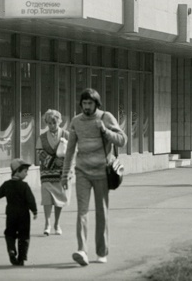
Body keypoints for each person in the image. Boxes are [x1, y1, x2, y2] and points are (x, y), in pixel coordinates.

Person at [61, 88, 127, 267]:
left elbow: (122, 140)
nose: (87, 107)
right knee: (82, 211)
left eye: (90, 103)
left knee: (101, 212)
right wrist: (65, 173)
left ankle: (101, 252)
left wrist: (105, 131)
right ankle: (82, 250)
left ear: (96, 104)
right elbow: (70, 149)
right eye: (84, 103)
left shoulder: (105, 117)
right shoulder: (76, 121)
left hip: (101, 172)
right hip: (82, 171)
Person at [0, 158, 38, 266]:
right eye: (25, 171)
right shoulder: (24, 186)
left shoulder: (7, 184)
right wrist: (34, 211)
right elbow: (30, 199)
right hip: (24, 215)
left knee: (10, 233)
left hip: (11, 214)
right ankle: (21, 258)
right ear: (17, 171)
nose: (26, 174)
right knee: (24, 236)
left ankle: (11, 250)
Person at [36, 109, 70, 236]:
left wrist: (64, 162)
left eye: (54, 123)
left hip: (61, 173)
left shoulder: (66, 135)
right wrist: (53, 162)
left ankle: (57, 223)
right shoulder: (42, 137)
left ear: (59, 121)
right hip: (46, 172)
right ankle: (47, 223)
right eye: (49, 123)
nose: (52, 125)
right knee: (47, 198)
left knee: (59, 198)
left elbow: (73, 151)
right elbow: (39, 152)